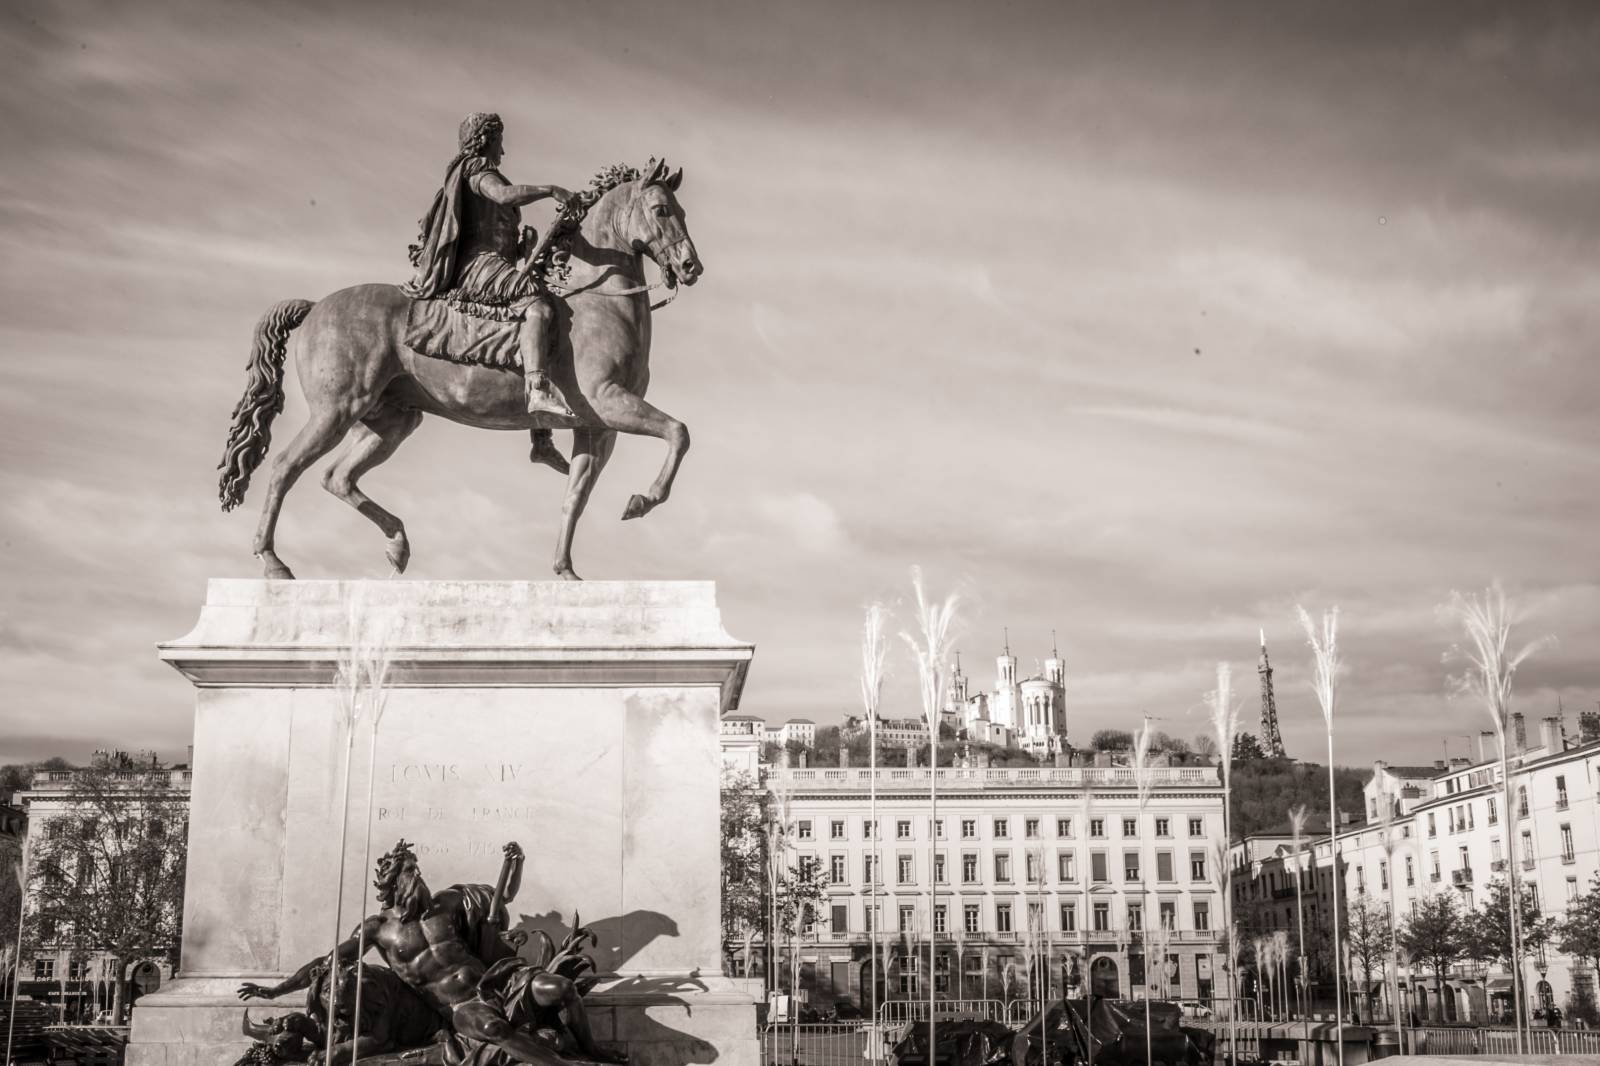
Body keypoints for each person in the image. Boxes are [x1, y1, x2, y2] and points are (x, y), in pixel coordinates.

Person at [239, 841, 621, 1066]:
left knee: (560, 988)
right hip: (458, 1008)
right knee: (494, 1030)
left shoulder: (448, 902)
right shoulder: (377, 930)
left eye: (417, 868)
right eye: (409, 871)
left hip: (499, 980)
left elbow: (503, 896)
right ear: (392, 883)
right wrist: (275, 991)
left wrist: (516, 862)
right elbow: (327, 963)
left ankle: (593, 1049)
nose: (417, 875)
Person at [402, 112, 574, 473]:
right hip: (478, 264)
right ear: (485, 139)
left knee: (550, 316)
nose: (504, 150)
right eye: (500, 141)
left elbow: (496, 225)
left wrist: (522, 246)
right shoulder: (475, 167)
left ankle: (541, 440)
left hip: (494, 261)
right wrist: (550, 189)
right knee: (538, 310)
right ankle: (537, 388)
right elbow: (502, 194)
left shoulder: (477, 169)